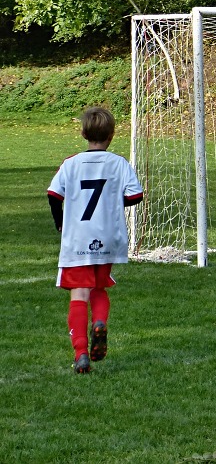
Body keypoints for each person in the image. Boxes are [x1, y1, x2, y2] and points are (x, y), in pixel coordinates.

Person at [47, 107, 144, 374]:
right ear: (111, 135)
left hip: (78, 238)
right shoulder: (119, 163)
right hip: (108, 237)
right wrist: (112, 202)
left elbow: (54, 194)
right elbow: (136, 196)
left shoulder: (71, 163)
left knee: (79, 293)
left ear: (83, 133)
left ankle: (80, 352)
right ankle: (99, 321)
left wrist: (59, 221)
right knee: (99, 288)